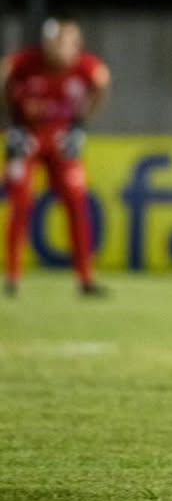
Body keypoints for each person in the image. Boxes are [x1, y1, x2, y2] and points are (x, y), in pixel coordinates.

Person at [3, 18, 110, 296]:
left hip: (61, 138)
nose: (65, 50)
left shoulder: (84, 67)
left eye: (71, 43)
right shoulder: (27, 62)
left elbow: (102, 82)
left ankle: (85, 278)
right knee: (20, 201)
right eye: (60, 43)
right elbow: (4, 75)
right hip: (27, 137)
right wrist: (10, 123)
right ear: (48, 44)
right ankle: (12, 276)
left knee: (76, 202)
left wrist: (80, 124)